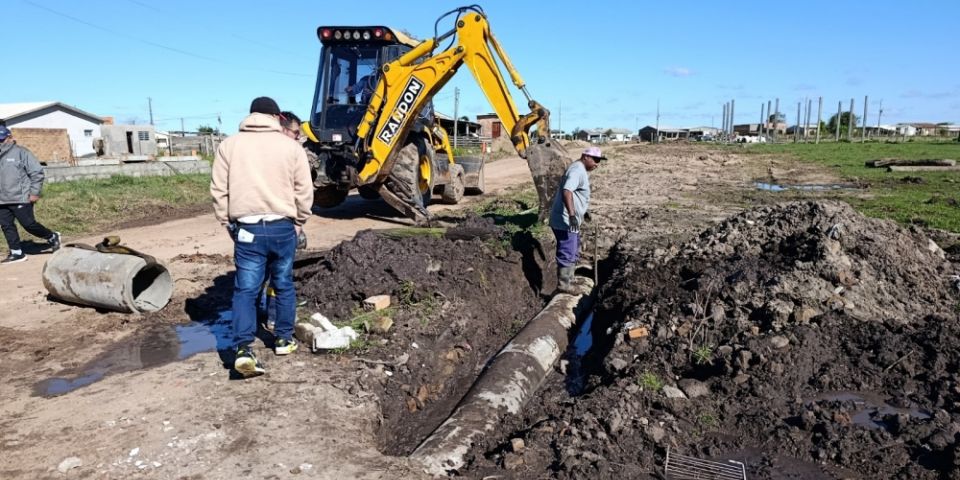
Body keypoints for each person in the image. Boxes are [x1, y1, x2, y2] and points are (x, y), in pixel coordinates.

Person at [210, 97, 314, 378]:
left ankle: (244, 349)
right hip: (283, 227)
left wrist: (227, 222)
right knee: (283, 283)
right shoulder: (290, 147)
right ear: (277, 117)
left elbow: (219, 190)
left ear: (251, 115)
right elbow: (304, 190)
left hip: (247, 229)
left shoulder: (229, 146)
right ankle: (283, 339)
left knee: (245, 289)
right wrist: (300, 221)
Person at [0, 126, 61, 264]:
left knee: (28, 224)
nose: (0, 142)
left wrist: (34, 192)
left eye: (1, 139)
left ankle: (52, 236)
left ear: (9, 137)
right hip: (2, 199)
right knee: (6, 225)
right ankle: (17, 253)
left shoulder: (21, 152)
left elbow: (37, 173)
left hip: (21, 196)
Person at [549, 146, 604, 292]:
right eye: (595, 160)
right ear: (586, 157)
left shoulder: (580, 170)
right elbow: (567, 191)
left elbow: (576, 194)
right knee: (567, 250)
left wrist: (584, 211)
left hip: (569, 220)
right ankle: (564, 286)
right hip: (566, 221)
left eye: (599, 161)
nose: (597, 164)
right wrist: (572, 215)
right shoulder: (576, 170)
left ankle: (569, 281)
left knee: (573, 249)